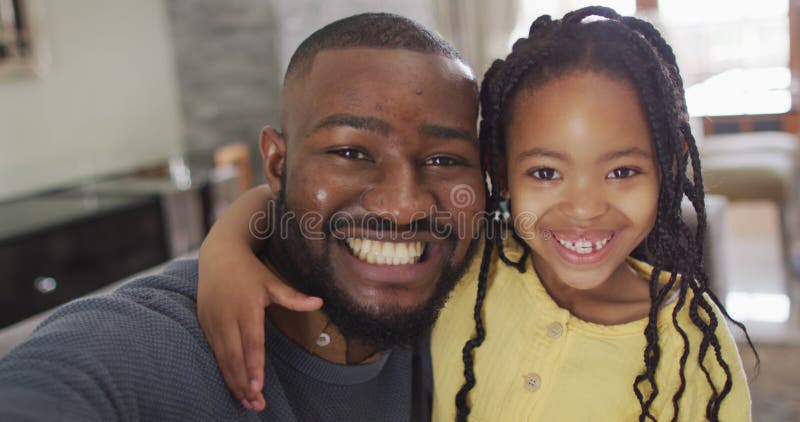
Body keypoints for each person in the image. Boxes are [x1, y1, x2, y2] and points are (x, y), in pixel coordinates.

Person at [197, 6, 756, 421]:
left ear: (669, 166)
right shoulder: (476, 263)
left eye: (622, 171)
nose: (584, 208)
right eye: (545, 173)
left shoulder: (694, 341)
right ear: (499, 177)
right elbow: (283, 199)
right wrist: (224, 253)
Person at [0, 13, 485, 421]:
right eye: (350, 152)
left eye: (445, 160)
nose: (403, 205)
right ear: (277, 163)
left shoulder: (473, 302)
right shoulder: (143, 345)